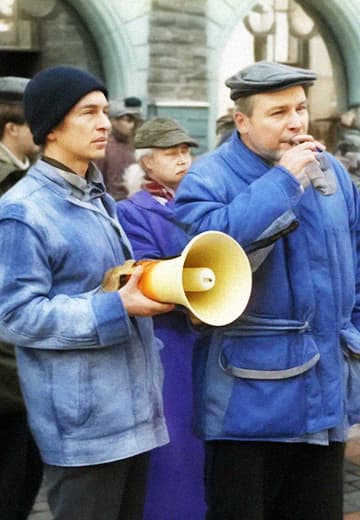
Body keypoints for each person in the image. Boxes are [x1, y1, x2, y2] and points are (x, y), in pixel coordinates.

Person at [174, 60, 360, 520]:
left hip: (325, 399)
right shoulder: (207, 178)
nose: (296, 122)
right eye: (278, 113)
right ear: (242, 121)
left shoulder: (333, 173)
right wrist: (283, 181)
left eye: (300, 108)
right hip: (248, 404)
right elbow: (208, 263)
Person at [0, 65, 172, 520]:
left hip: (133, 413)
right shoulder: (23, 211)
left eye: (105, 110)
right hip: (83, 428)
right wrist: (115, 307)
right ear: (52, 127)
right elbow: (14, 315)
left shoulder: (98, 197)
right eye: (88, 112)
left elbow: (107, 281)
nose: (104, 123)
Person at [117, 117, 206, 520]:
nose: (183, 160)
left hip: (199, 339)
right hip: (166, 340)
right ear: (147, 163)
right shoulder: (131, 210)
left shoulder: (197, 201)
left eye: (186, 152)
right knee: (174, 448)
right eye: (172, 154)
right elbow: (146, 273)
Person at [0, 76, 43, 520]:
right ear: (12, 127)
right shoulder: (9, 180)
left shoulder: (20, 173)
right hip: (7, 360)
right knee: (12, 479)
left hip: (16, 354)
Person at [95, 97, 142, 200]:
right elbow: (96, 184)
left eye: (134, 121)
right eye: (128, 120)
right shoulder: (103, 146)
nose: (132, 125)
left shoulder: (133, 144)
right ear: (113, 121)